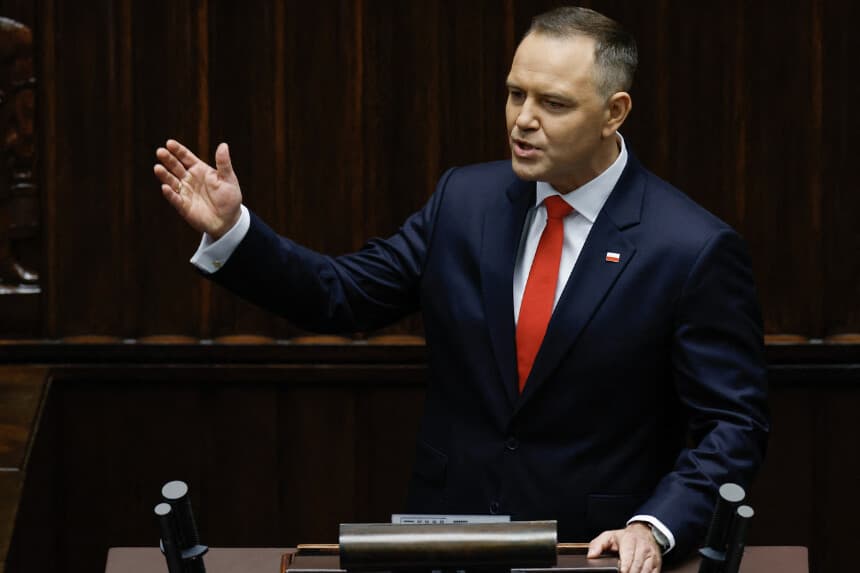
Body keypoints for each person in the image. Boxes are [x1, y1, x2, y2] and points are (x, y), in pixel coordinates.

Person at [154, 7, 768, 573]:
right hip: (447, 542)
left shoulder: (690, 248)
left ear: (615, 112)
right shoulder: (463, 202)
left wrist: (656, 524)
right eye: (514, 93)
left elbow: (732, 424)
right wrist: (236, 232)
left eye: (553, 103)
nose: (522, 119)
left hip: (593, 553)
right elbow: (341, 294)